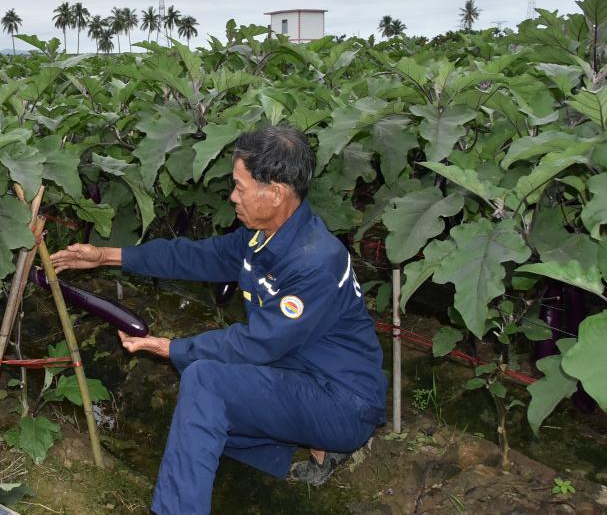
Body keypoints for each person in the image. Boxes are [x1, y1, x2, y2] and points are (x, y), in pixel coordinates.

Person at [50, 125, 387, 515]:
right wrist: (105, 256)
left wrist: (172, 348)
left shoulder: (315, 261)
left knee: (204, 383)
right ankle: (314, 450)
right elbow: (193, 256)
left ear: (275, 193)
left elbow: (258, 344)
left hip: (343, 401)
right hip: (296, 376)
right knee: (200, 426)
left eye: (240, 188)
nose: (232, 197)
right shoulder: (262, 237)